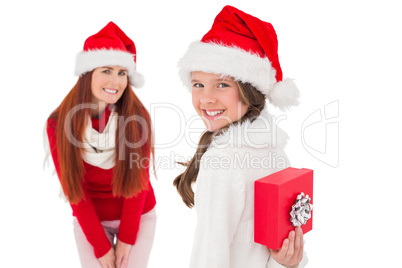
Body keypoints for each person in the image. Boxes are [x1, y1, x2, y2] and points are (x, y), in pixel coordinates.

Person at [174, 6, 308, 268]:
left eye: (222, 84)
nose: (206, 98)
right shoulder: (275, 151)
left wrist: (285, 260)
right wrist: (285, 263)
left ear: (250, 90)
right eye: (198, 84)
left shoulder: (221, 162)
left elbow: (209, 257)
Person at [46, 22, 156, 268]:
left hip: (137, 215)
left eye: (122, 72)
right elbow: (74, 189)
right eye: (106, 70)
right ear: (88, 74)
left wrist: (127, 238)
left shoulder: (138, 118)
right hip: (91, 219)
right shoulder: (58, 123)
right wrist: (100, 245)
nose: (115, 81)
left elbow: (138, 182)